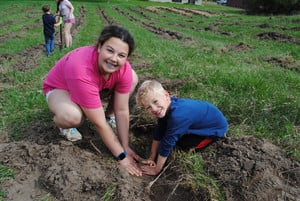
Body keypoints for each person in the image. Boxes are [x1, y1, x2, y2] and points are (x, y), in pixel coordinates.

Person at [42, 25, 142, 176]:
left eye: (121, 55)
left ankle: (109, 116)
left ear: (127, 58)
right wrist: (121, 156)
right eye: (110, 50)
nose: (114, 59)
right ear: (99, 47)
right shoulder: (81, 68)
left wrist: (125, 146)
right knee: (73, 117)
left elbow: (121, 110)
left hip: (92, 88)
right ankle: (64, 126)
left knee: (132, 78)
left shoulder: (124, 69)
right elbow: (98, 123)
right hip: (61, 89)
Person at [136, 80, 228, 175]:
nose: (154, 109)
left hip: (215, 128)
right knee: (166, 131)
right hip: (204, 117)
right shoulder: (167, 106)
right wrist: (152, 157)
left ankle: (208, 139)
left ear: (166, 95)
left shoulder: (178, 117)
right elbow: (159, 131)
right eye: (148, 107)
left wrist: (156, 170)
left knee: (182, 143)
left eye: (155, 102)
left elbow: (168, 143)